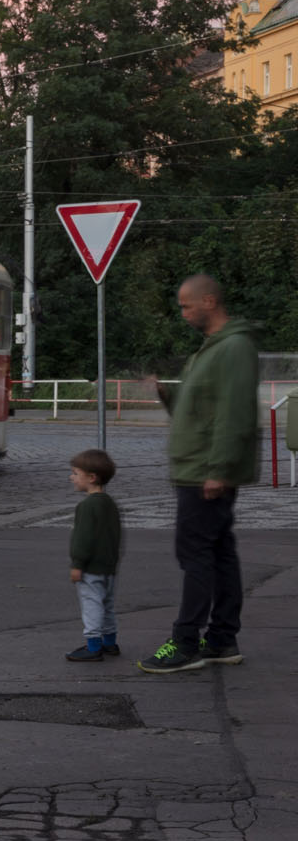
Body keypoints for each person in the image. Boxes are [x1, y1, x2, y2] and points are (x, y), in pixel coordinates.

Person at [138, 273, 260, 674]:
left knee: (195, 555)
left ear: (209, 301)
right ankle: (222, 640)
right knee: (218, 554)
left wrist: (218, 470)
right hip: (198, 467)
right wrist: (168, 395)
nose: (183, 312)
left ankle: (186, 642)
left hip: (204, 472)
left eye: (186, 305)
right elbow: (203, 411)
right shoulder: (209, 350)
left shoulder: (234, 348)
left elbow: (234, 414)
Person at [65, 448, 122, 662]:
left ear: (91, 477)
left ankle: (93, 646)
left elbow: (83, 538)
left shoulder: (86, 506)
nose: (72, 477)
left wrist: (77, 564)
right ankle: (110, 643)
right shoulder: (109, 503)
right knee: (107, 606)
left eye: (75, 473)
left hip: (90, 568)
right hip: (108, 567)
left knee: (91, 606)